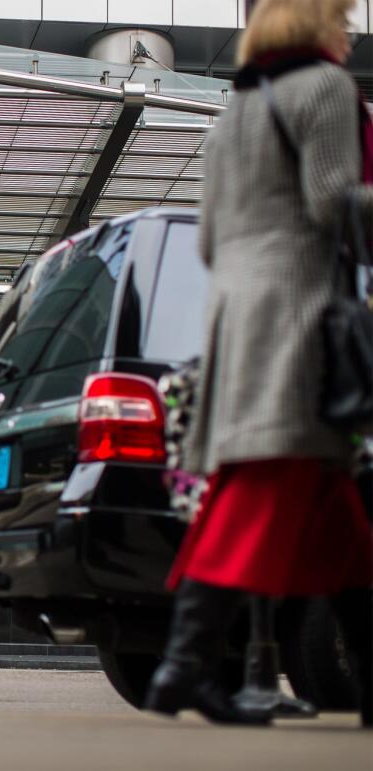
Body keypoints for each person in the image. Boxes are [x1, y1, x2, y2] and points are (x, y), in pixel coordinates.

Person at [145, 0, 373, 727]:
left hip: (236, 319)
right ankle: (183, 664)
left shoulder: (231, 116)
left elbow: (210, 241)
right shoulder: (329, 89)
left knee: (338, 523)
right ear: (319, 26)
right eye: (343, 17)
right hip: (298, 315)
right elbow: (333, 200)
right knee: (268, 485)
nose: (350, 30)